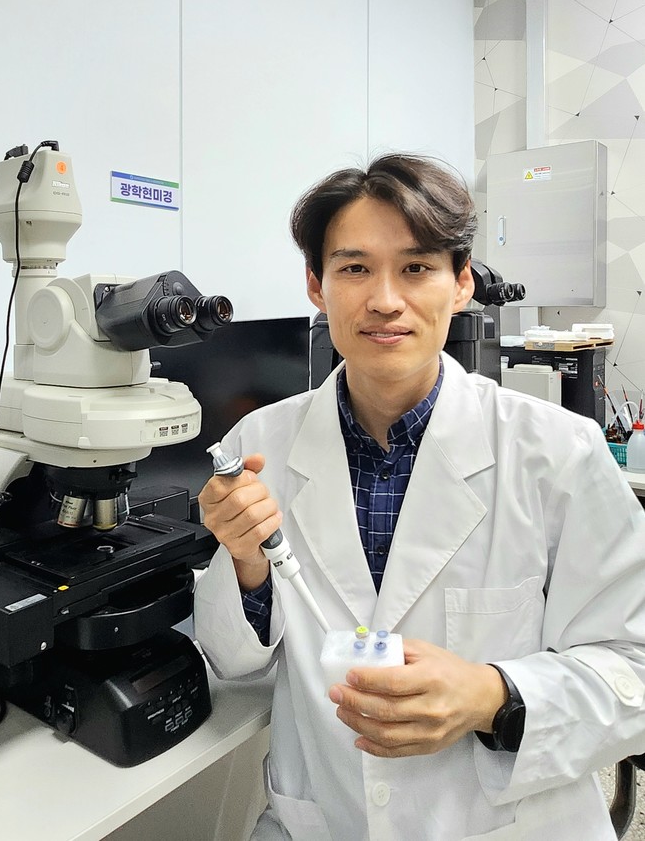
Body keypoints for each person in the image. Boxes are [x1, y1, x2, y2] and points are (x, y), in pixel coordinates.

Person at [193, 153, 645, 841]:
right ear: (315, 285)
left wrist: (490, 696)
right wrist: (246, 564)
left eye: (415, 268)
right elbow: (232, 662)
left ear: (460, 283)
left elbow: (633, 668)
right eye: (353, 268)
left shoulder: (557, 452)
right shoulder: (261, 444)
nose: (384, 299)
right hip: (326, 820)